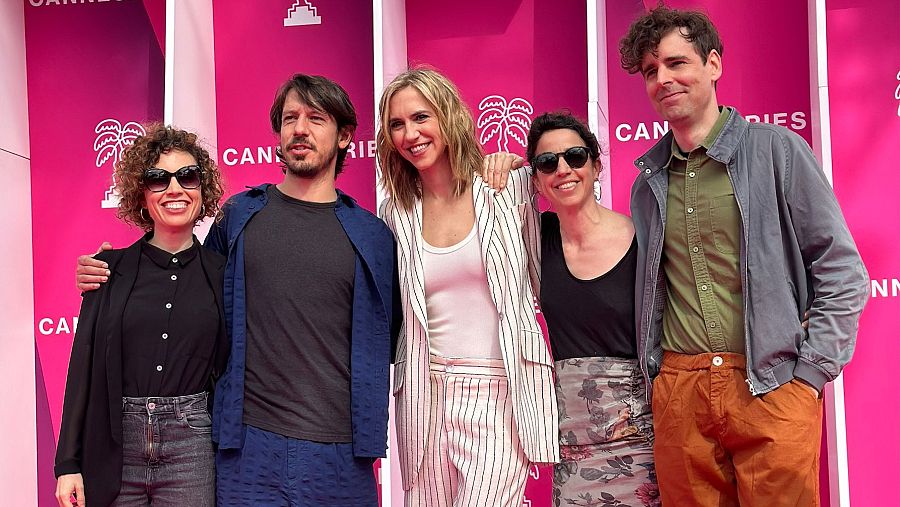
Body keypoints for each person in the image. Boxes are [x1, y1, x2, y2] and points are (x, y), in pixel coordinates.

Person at [76, 74, 400, 506]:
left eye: (316, 118)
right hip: (248, 452)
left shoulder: (372, 236)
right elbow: (191, 285)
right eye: (290, 118)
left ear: (344, 136)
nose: (300, 129)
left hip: (341, 456)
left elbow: (394, 337)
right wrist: (112, 270)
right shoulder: (241, 216)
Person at [618, 7, 869, 505]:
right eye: (650, 71)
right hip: (680, 392)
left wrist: (809, 376)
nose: (662, 79)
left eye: (676, 63)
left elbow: (842, 271)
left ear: (713, 64)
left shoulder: (777, 151)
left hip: (771, 385)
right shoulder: (648, 183)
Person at [377, 68, 559, 506]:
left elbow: (543, 276)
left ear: (448, 116)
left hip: (499, 389)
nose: (410, 134)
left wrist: (517, 163)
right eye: (397, 124)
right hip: (424, 391)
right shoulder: (394, 211)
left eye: (421, 117)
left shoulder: (507, 187)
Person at [56, 124, 229, 507]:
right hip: (116, 446)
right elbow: (82, 367)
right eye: (158, 179)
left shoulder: (223, 274)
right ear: (141, 195)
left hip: (193, 447)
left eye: (187, 176)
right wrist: (67, 463)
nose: (174, 188)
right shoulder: (107, 270)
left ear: (202, 189)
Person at [527, 112, 659, 505]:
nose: (563, 169)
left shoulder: (643, 239)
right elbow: (482, 205)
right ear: (536, 180)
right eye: (547, 162)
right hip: (571, 444)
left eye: (575, 156)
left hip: (640, 438)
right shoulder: (535, 239)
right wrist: (504, 166)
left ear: (597, 166)